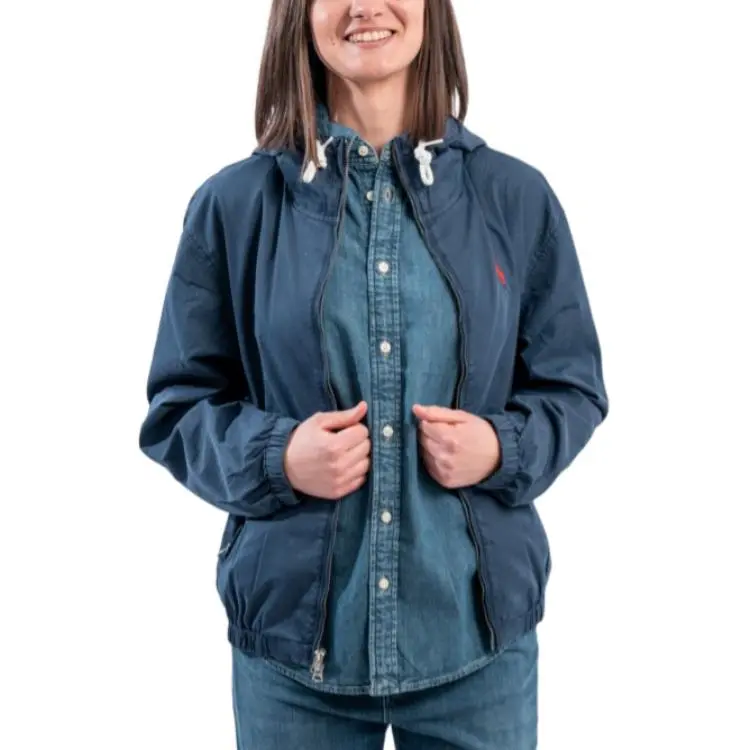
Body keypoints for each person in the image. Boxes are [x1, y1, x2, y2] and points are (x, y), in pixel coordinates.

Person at [138, 0, 609, 747]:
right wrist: (278, 458)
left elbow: (572, 386)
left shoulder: (516, 199)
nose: (365, 6)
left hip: (477, 643)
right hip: (294, 658)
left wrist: (502, 447)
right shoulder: (233, 207)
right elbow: (179, 407)